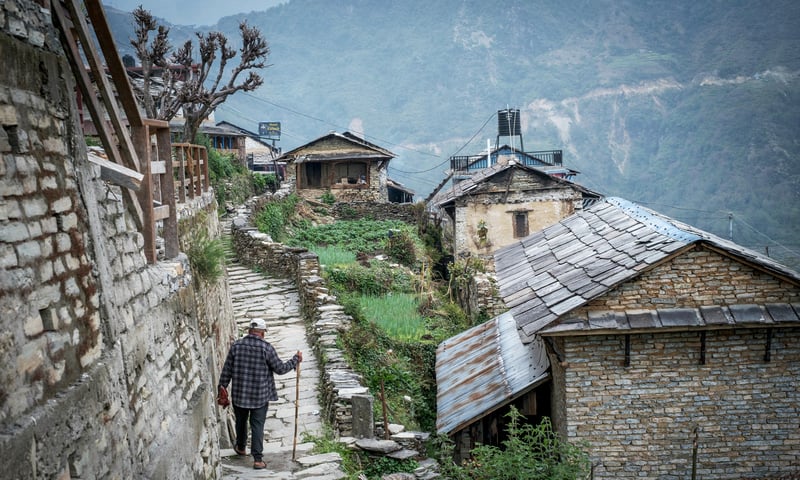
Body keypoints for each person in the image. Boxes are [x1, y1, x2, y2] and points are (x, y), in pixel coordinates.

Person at [217, 318, 302, 470]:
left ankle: (241, 447)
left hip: (239, 394)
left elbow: (226, 370)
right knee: (257, 425)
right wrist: (295, 360)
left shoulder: (236, 346)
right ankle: (257, 459)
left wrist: (222, 387)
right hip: (259, 396)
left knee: (241, 422)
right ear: (262, 333)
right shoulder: (266, 348)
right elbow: (280, 369)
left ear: (249, 331)